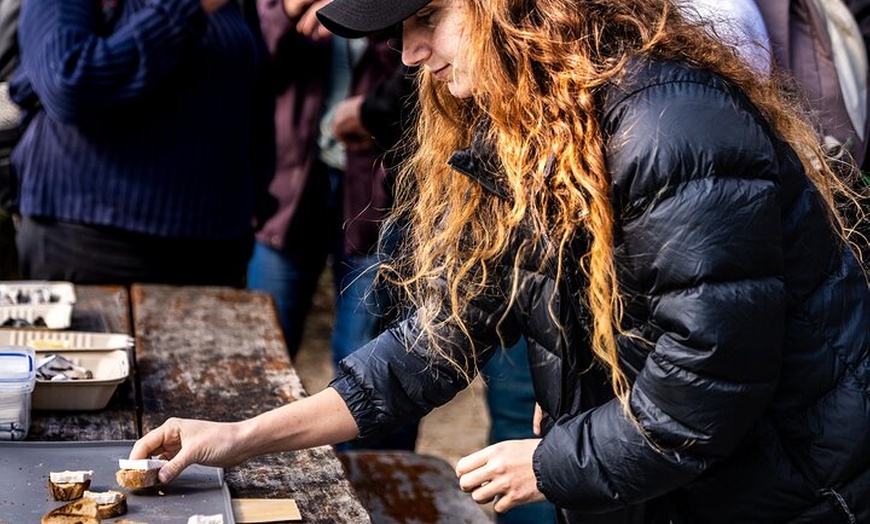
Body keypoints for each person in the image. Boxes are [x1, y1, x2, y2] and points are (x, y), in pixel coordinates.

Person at [129, 0, 870, 521]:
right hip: (685, 490)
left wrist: (549, 464)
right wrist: (237, 437)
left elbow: (707, 386)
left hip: (799, 494)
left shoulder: (668, 125)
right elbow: (435, 342)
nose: (409, 52)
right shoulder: (534, 132)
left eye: (427, 18)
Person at [248, 0, 418, 449]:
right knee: (260, 354)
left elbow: (418, 70)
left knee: (370, 356)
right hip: (288, 188)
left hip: (382, 189)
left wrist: (372, 110)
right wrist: (288, 10)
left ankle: (366, 499)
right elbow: (256, 61)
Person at [9, 0, 274, 286]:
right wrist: (188, 8)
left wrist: (256, 191)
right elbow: (68, 84)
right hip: (92, 241)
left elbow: (255, 90)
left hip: (215, 244)